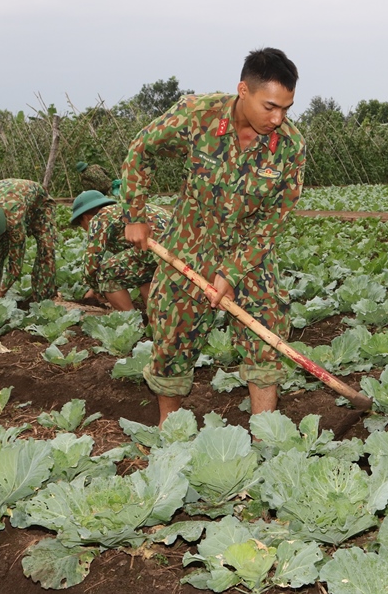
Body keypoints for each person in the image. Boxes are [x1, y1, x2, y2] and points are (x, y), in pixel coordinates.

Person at [120, 47, 305, 424]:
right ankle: (170, 432)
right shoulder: (196, 114)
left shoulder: (290, 146)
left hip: (249, 252)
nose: (278, 117)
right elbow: (141, 150)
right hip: (189, 242)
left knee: (265, 334)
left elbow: (273, 219)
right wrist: (134, 215)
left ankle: (264, 436)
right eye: (270, 106)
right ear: (244, 90)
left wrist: (232, 272)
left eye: (286, 108)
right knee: (171, 335)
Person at [70, 189, 170, 311]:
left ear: (85, 218)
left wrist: (96, 289)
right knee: (143, 273)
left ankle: (132, 322)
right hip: (177, 246)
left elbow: (91, 263)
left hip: (154, 247)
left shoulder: (99, 218)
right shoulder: (126, 211)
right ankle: (155, 319)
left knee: (106, 274)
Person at [0, 178, 57, 301]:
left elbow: (15, 263)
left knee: (47, 248)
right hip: (5, 199)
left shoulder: (14, 221)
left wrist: (0, 295)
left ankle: (43, 299)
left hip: (39, 205)